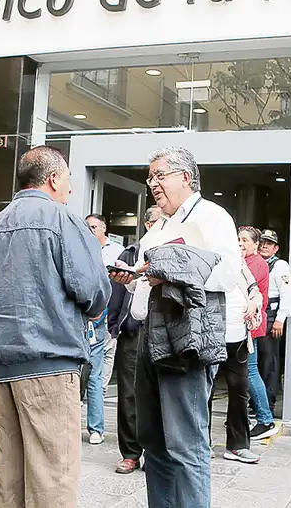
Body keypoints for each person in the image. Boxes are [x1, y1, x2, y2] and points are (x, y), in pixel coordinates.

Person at [0, 146, 111, 508]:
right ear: (53, 178)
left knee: (6, 475)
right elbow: (95, 291)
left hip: (2, 364)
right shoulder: (62, 219)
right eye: (67, 180)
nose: (69, 190)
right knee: (53, 476)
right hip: (49, 362)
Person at [110, 146, 243, 508]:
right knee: (153, 441)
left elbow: (227, 273)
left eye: (159, 175)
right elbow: (150, 281)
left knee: (186, 444)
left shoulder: (212, 217)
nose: (153, 184)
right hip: (147, 339)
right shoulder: (161, 225)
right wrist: (132, 279)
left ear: (185, 177)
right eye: (150, 177)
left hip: (184, 342)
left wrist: (166, 271)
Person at [108, 205, 161, 475]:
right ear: (149, 225)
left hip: (161, 331)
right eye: (158, 220)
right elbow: (117, 292)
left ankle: (154, 453)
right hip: (132, 330)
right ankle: (130, 453)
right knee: (128, 394)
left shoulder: (169, 251)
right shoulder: (129, 252)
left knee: (157, 395)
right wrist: (113, 323)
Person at [207, 226, 264, 465]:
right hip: (212, 336)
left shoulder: (243, 269)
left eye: (242, 246)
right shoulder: (212, 267)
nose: (240, 249)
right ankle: (202, 444)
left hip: (239, 338)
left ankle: (237, 446)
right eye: (236, 245)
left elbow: (256, 293)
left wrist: (254, 302)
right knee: (204, 392)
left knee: (239, 392)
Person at [81, 214, 122, 444]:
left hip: (100, 319)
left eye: (94, 226)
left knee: (95, 375)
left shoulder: (116, 252)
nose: (90, 230)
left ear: (104, 228)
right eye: (87, 227)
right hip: (77, 318)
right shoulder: (79, 248)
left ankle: (96, 427)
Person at [242, 227, 280, 441]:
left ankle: (265, 419)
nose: (240, 243)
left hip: (249, 326)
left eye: (245, 240)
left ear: (255, 245)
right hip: (245, 326)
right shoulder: (248, 262)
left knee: (250, 371)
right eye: (238, 239)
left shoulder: (256, 263)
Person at [257, 229, 291, 414]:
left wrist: (280, 319)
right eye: (262, 242)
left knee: (268, 363)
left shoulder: (279, 266)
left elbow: (287, 294)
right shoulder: (253, 263)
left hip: (271, 317)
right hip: (254, 316)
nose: (264, 245)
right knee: (253, 363)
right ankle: (256, 403)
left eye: (269, 243)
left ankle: (268, 404)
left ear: (276, 248)